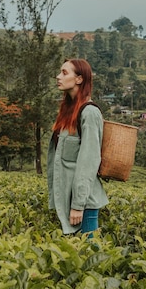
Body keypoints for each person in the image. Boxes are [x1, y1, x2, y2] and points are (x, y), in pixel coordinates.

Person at [47, 58, 108, 235]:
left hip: (84, 205)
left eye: (64, 73)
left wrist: (78, 205)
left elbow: (88, 161)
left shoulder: (89, 113)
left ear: (79, 79)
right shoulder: (69, 111)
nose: (58, 77)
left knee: (89, 258)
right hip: (70, 201)